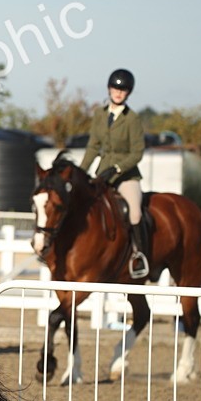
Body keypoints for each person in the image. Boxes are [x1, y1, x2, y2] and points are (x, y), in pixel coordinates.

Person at [80, 68, 149, 278]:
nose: (118, 93)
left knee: (135, 212)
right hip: (102, 173)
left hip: (126, 175)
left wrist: (118, 168)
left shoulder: (132, 119)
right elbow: (93, 146)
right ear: (109, 89)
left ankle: (139, 256)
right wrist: (81, 172)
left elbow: (137, 152)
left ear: (128, 93)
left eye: (123, 90)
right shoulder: (99, 115)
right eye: (116, 88)